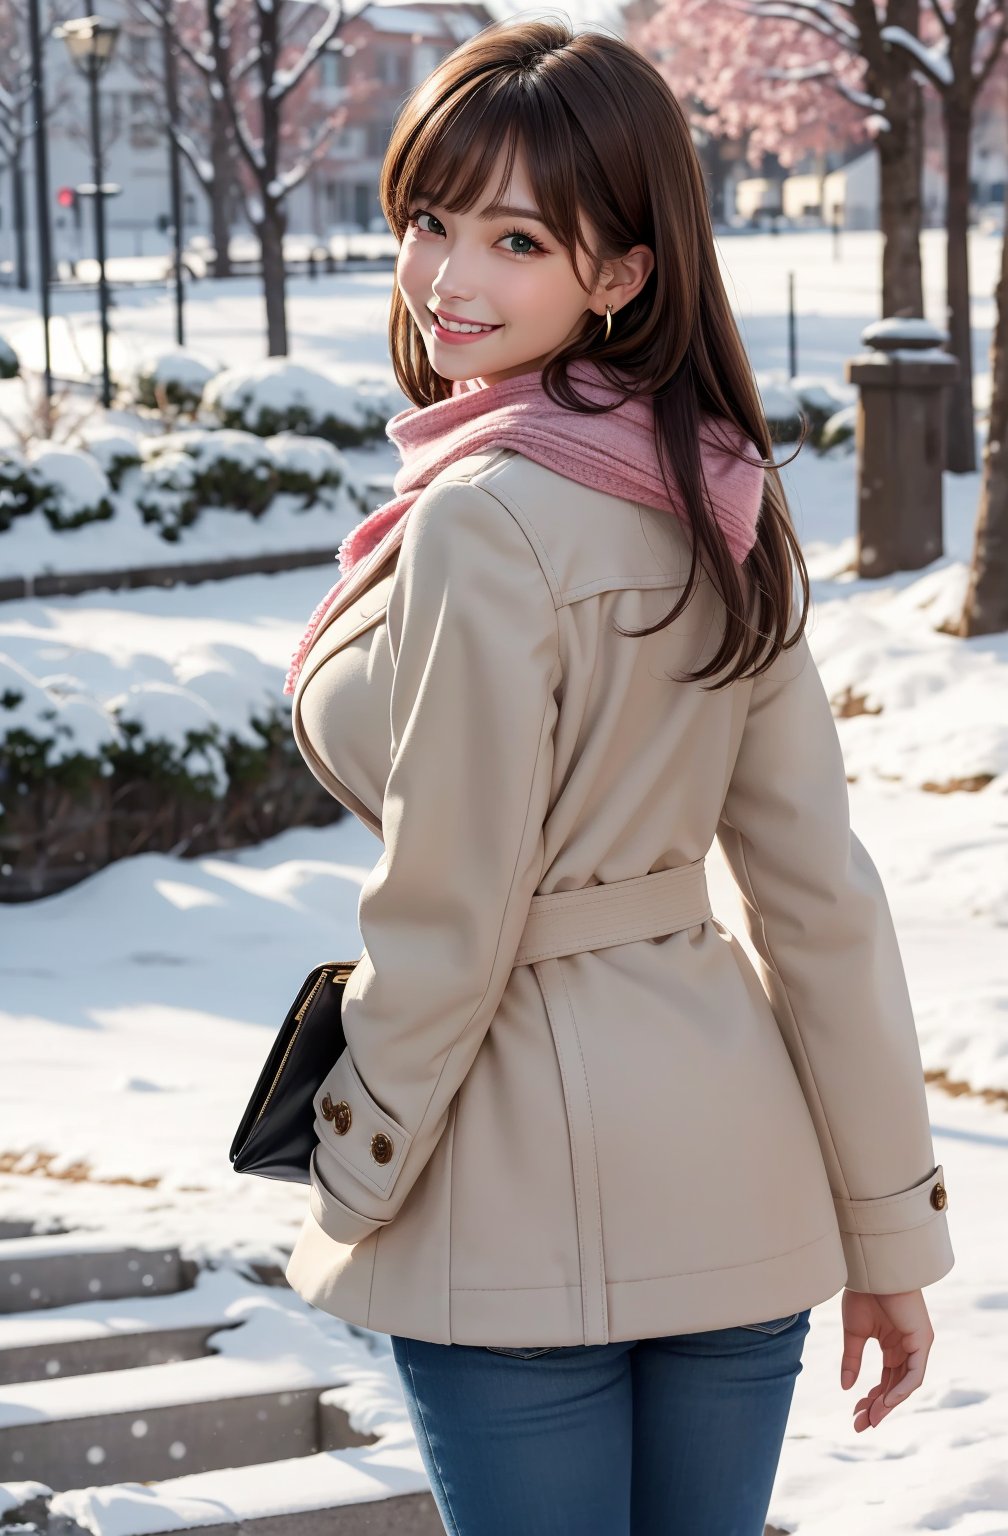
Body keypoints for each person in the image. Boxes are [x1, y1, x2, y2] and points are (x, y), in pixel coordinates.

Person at [280, 17, 954, 1535]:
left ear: (624, 272)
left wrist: (355, 1156)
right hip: (736, 1160)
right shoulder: (724, 488)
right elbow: (818, 896)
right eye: (428, 223)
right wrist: (885, 1224)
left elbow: (450, 910)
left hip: (504, 1173)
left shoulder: (483, 518)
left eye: (515, 238)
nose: (450, 278)